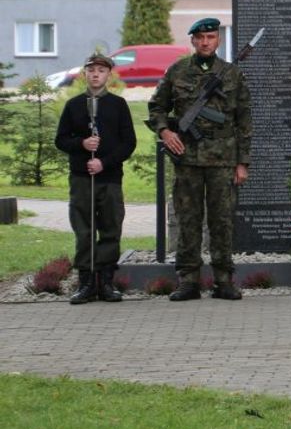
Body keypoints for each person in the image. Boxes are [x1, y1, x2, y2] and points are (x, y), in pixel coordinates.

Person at [148, 17, 252, 301]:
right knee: (188, 219)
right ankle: (189, 281)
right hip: (187, 160)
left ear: (218, 40)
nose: (205, 42)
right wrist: (165, 131)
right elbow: (156, 107)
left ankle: (223, 280)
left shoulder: (232, 75)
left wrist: (242, 163)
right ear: (192, 41)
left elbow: (243, 120)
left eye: (211, 37)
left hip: (222, 161)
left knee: (222, 221)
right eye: (200, 38)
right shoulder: (177, 71)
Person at [54, 52, 137, 304]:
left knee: (110, 227)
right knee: (84, 229)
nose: (95, 74)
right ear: (85, 74)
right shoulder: (74, 105)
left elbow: (128, 143)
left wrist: (104, 162)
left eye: (101, 71)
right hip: (81, 178)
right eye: (91, 70)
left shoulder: (118, 105)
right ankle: (86, 282)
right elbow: (61, 140)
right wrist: (82, 143)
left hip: (110, 178)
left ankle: (107, 281)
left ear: (108, 75)